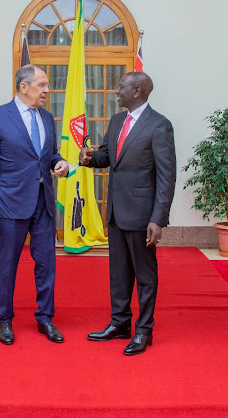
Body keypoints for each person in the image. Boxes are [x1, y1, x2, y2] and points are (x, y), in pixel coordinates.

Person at [79, 71, 176, 356]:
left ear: (137, 92)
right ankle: (120, 323)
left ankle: (144, 330)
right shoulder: (117, 121)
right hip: (117, 212)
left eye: (121, 87)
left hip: (143, 215)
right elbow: (107, 156)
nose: (115, 91)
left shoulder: (160, 125)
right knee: (119, 273)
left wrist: (158, 219)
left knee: (145, 275)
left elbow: (166, 176)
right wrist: (88, 158)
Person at [0, 64, 69, 345]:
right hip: (9, 205)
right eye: (42, 85)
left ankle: (45, 318)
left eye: (47, 85)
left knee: (46, 264)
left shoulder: (47, 118)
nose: (47, 90)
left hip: (43, 204)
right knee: (6, 265)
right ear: (24, 87)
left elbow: (50, 154)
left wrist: (60, 162)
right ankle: (4, 320)